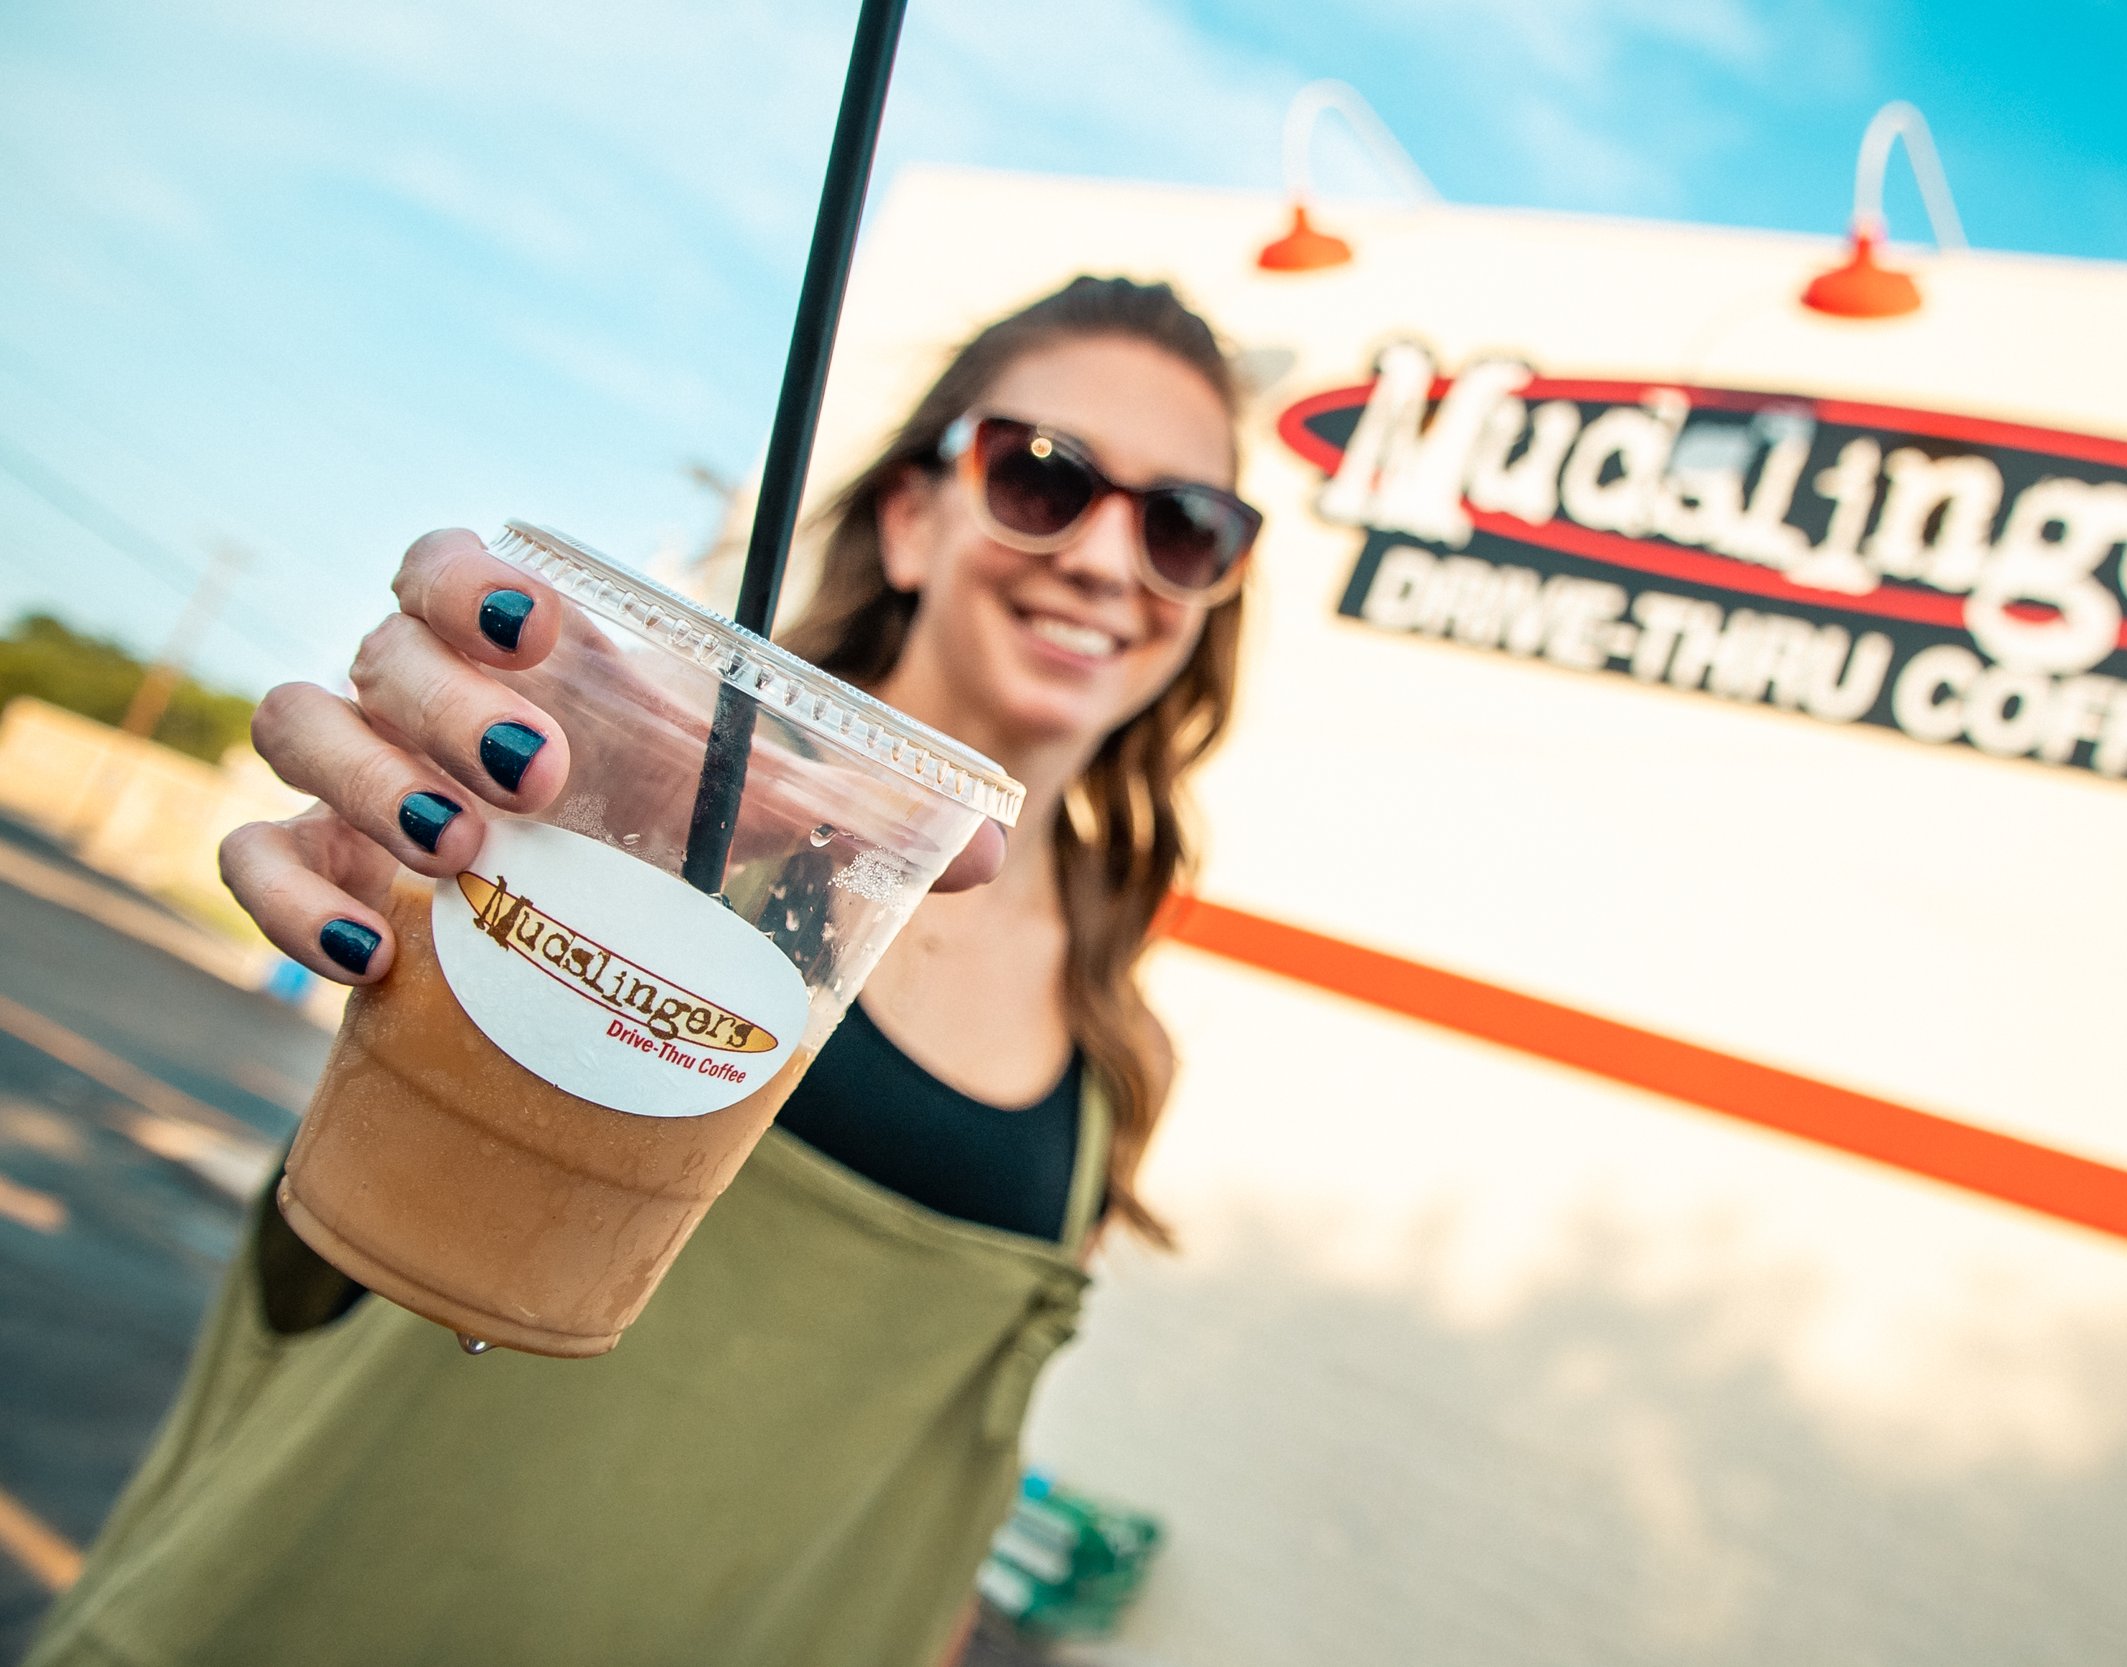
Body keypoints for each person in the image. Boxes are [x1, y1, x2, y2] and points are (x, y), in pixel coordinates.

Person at [26, 276, 1259, 1667]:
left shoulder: (1112, 1055)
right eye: (1043, 479)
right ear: (912, 517)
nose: (1109, 558)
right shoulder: (662, 832)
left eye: (1183, 525)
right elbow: (342, 1249)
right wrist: (464, 821)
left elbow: (904, 1494)